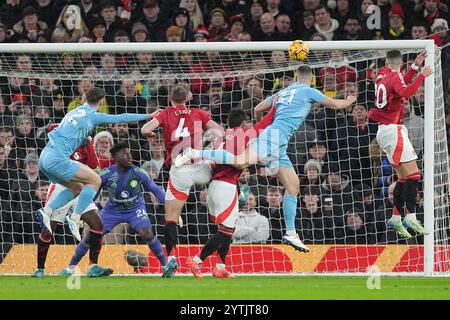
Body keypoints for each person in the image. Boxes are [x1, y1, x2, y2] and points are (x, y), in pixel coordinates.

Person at [175, 64, 356, 252]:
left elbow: (258, 108)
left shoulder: (284, 92)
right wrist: (350, 99)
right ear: (311, 78)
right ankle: (194, 153)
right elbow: (336, 104)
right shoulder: (309, 91)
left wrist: (261, 126)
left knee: (293, 186)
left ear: (295, 76)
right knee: (240, 161)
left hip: (278, 143)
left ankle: (291, 233)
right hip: (273, 138)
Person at [35, 86, 153, 260]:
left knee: (77, 187)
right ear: (101, 101)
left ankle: (47, 211)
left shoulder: (75, 110)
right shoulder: (93, 115)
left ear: (84, 98)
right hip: (57, 159)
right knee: (95, 180)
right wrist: (149, 116)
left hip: (44, 157)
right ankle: (75, 218)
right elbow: (121, 117)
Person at [141, 84, 223, 277]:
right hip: (201, 167)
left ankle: (170, 259)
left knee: (171, 218)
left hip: (179, 170)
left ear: (170, 98)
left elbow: (145, 129)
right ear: (188, 98)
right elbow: (219, 131)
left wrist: (151, 133)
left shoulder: (165, 114)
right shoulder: (199, 113)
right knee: (224, 165)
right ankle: (237, 192)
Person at [186, 107, 274, 278]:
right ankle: (196, 260)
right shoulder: (243, 134)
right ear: (243, 123)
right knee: (225, 231)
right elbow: (263, 123)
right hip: (225, 187)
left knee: (228, 229)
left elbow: (210, 163)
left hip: (215, 186)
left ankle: (220, 267)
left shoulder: (219, 139)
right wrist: (276, 107)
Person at [59, 143, 169, 277]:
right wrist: (82, 212)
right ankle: (69, 268)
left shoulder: (139, 172)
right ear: (116, 158)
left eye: (130, 154)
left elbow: (155, 189)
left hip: (135, 209)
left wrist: (171, 209)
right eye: (125, 154)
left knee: (147, 234)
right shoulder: (106, 174)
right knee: (90, 238)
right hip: (112, 211)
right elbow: (92, 194)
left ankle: (165, 266)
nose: (130, 157)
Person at [368, 50, 432, 238]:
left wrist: (415, 66)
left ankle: (395, 218)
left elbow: (399, 81)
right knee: (414, 175)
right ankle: (410, 217)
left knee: (403, 178)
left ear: (387, 61)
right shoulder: (394, 75)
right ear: (401, 61)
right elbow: (405, 91)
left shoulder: (382, 73)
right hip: (393, 130)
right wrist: (421, 75)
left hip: (384, 130)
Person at [32, 124, 104, 278]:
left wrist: (89, 143)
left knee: (97, 223)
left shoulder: (86, 144)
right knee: (48, 228)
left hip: (80, 189)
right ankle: (40, 269)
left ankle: (93, 267)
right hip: (60, 186)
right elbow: (51, 128)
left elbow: (93, 165)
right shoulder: (65, 135)